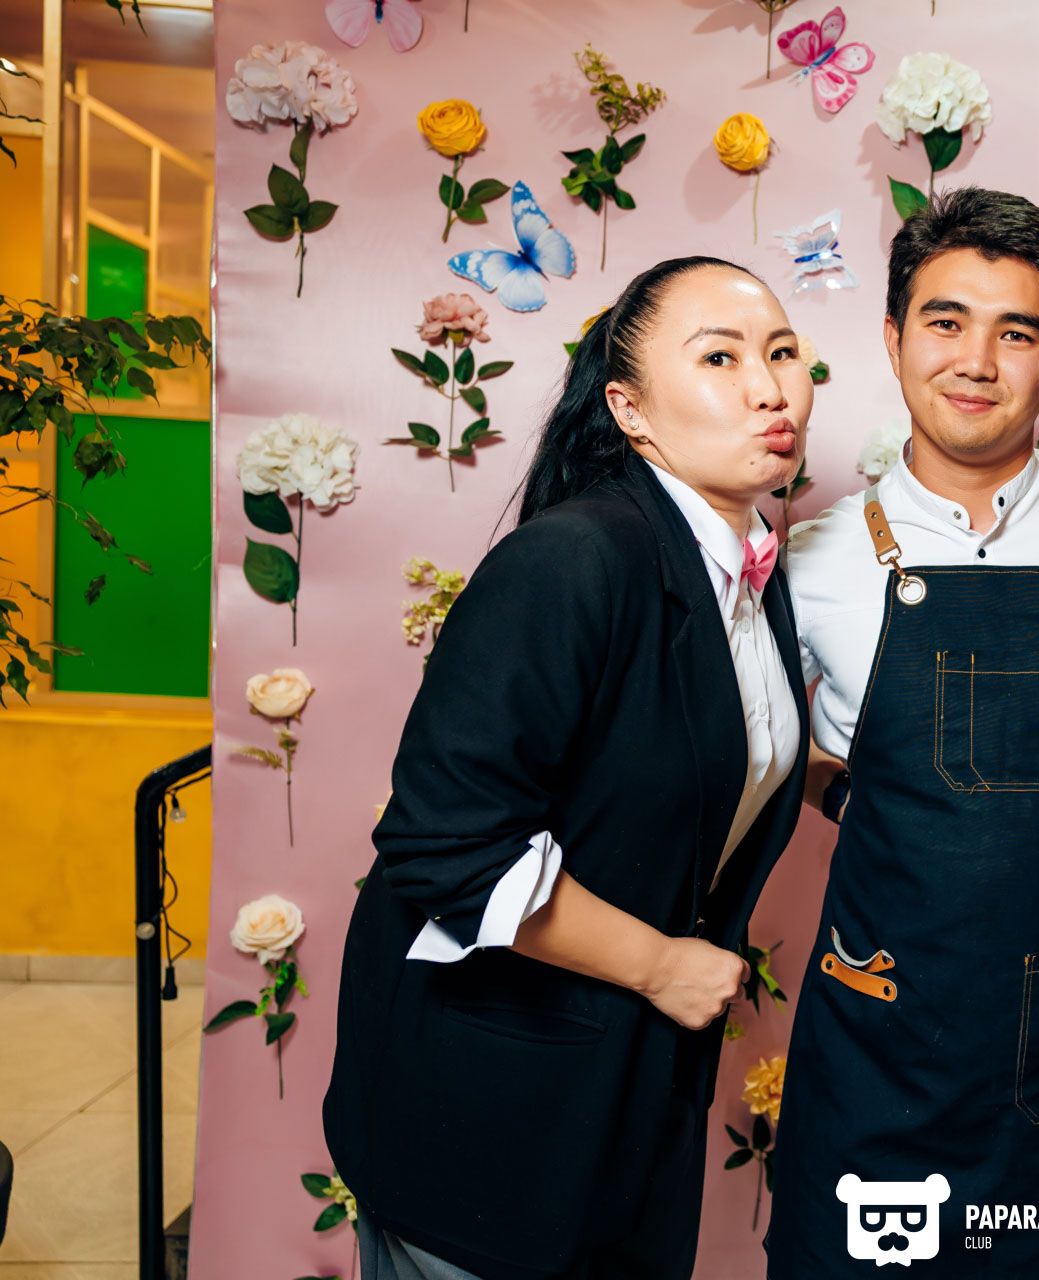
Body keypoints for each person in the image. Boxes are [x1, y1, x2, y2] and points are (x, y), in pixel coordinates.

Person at [323, 256, 813, 1280]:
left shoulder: (746, 569)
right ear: (629, 410)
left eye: (781, 353)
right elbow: (445, 846)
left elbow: (692, 755)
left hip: (626, 1105)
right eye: (720, 358)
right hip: (488, 1111)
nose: (770, 388)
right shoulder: (575, 558)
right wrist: (663, 964)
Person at [763, 187, 1039, 1278]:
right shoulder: (812, 558)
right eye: (945, 321)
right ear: (893, 338)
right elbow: (748, 751)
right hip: (880, 1037)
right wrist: (854, 792)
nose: (976, 361)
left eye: (1017, 332)